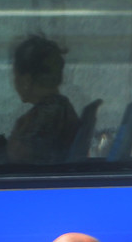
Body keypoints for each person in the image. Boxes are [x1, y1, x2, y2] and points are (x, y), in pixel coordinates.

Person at [5, 36, 80, 165]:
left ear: (26, 80)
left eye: (15, 76)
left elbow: (19, 158)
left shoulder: (49, 116)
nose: (14, 83)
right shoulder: (59, 108)